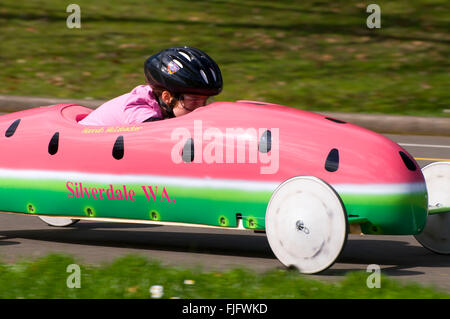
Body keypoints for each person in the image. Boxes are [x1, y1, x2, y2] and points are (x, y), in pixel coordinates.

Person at [79, 46, 223, 126]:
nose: (200, 110)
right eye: (193, 101)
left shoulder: (162, 105)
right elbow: (158, 136)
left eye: (204, 102)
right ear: (167, 97)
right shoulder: (138, 109)